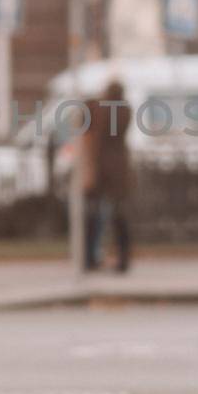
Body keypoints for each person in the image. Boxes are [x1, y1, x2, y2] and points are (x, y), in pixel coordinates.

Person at [82, 79, 133, 273]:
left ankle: (89, 258)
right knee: (119, 217)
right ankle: (123, 258)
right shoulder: (125, 111)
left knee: (94, 215)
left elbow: (96, 139)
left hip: (103, 170)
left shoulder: (104, 111)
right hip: (119, 170)